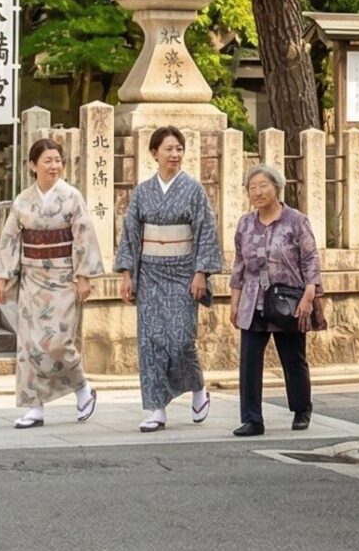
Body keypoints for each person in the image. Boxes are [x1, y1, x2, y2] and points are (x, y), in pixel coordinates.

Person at [0, 137, 103, 428]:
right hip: (31, 278)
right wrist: (2, 278)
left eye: (58, 161)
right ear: (32, 165)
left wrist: (83, 276)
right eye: (48, 161)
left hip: (63, 277)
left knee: (57, 342)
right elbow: (11, 239)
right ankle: (34, 406)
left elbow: (83, 236)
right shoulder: (22, 201)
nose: (54, 166)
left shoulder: (72, 197)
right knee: (28, 345)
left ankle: (82, 388)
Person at [117, 125, 222, 431]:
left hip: (183, 272)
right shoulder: (142, 192)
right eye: (168, 149)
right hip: (150, 272)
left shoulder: (193, 190)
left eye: (179, 149)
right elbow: (130, 234)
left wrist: (201, 271)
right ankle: (156, 408)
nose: (175, 154)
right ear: (154, 154)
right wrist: (128, 274)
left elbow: (205, 231)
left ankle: (198, 386)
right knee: (151, 342)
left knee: (180, 339)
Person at [228, 163, 323, 437]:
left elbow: (310, 259)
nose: (257, 192)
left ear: (277, 188)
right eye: (252, 188)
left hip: (288, 300)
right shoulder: (245, 223)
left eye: (263, 186)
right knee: (249, 362)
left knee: (293, 359)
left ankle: (302, 408)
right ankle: (252, 419)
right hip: (253, 300)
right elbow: (239, 265)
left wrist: (309, 295)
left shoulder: (296, 221)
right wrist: (234, 301)